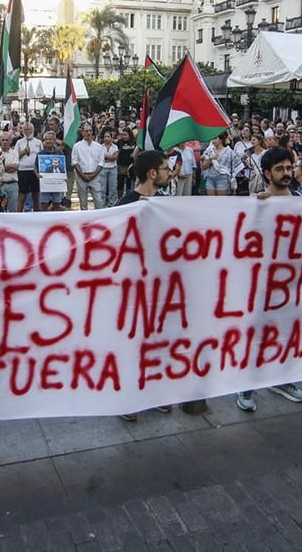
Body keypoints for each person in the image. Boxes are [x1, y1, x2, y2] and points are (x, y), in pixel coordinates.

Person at [237, 146, 302, 411]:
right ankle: (246, 385)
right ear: (267, 173)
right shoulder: (256, 202)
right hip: (261, 284)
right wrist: (257, 208)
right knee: (256, 333)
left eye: (289, 168)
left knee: (287, 332)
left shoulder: (301, 200)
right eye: (279, 169)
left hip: (292, 282)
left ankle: (282, 379)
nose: (286, 173)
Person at [117, 150, 176, 421]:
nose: (169, 173)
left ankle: (152, 392)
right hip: (132, 287)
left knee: (156, 340)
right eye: (165, 169)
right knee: (132, 343)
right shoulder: (126, 203)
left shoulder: (165, 203)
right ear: (153, 173)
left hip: (158, 285)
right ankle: (127, 398)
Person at [71, 124, 104, 210]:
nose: (88, 133)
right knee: (83, 202)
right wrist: (82, 175)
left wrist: (93, 175)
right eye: (86, 131)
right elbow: (74, 162)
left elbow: (101, 162)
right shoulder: (77, 146)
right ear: (82, 132)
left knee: (98, 201)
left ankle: (99, 217)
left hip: (95, 176)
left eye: (90, 131)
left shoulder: (98, 146)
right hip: (81, 177)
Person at [14, 122, 43, 212]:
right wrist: (23, 152)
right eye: (25, 129)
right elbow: (14, 157)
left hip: (35, 171)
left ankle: (36, 214)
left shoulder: (38, 142)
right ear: (22, 131)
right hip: (22, 171)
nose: (27, 131)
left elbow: (42, 156)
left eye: (29, 129)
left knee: (36, 195)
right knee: (22, 195)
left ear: (33, 130)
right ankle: (19, 214)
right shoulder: (19, 142)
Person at [37, 131, 66, 212]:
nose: (48, 141)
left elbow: (63, 168)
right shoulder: (41, 153)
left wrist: (65, 177)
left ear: (54, 140)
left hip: (57, 184)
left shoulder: (59, 152)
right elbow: (35, 167)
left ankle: (56, 219)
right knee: (44, 204)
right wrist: (37, 174)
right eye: (46, 139)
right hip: (45, 183)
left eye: (50, 139)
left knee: (57, 204)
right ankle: (44, 219)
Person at [99, 129, 119, 207]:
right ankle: (101, 205)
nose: (106, 138)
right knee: (102, 188)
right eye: (105, 137)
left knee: (112, 188)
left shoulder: (115, 147)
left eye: (108, 136)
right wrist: (109, 157)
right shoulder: (101, 147)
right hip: (103, 168)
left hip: (113, 168)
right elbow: (100, 158)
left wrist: (106, 157)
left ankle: (112, 204)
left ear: (111, 137)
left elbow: (115, 157)